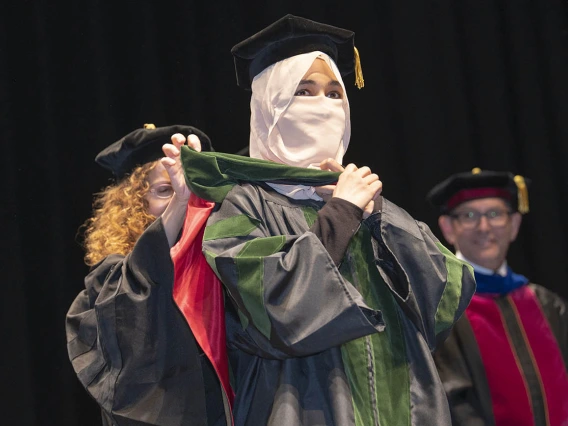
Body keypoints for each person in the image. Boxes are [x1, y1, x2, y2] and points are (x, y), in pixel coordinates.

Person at [175, 14, 476, 426]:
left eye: (335, 93)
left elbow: (445, 300)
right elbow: (276, 313)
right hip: (302, 405)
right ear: (270, 106)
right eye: (304, 91)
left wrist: (377, 218)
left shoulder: (362, 199)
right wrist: (341, 217)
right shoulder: (244, 204)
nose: (323, 105)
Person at [65, 123, 230, 425]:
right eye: (164, 190)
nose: (184, 195)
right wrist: (179, 204)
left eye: (193, 190)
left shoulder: (223, 263)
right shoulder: (113, 278)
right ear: (133, 206)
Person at [426, 167, 568, 426]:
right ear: (448, 228)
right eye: (469, 216)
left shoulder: (546, 304)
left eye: (495, 214)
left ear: (514, 224)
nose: (484, 227)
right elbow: (449, 402)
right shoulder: (440, 309)